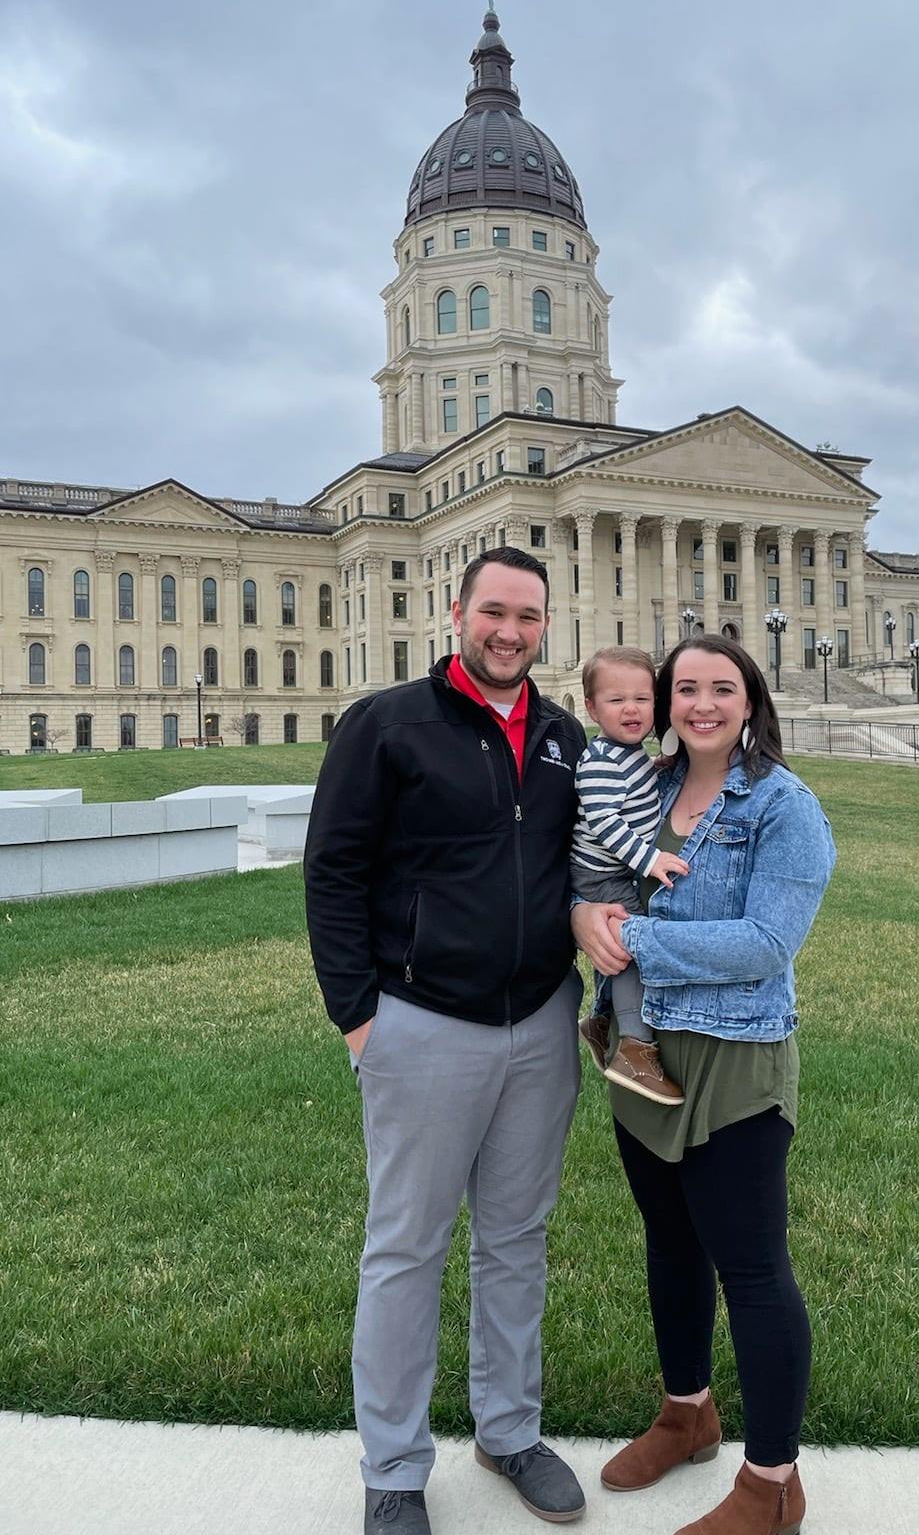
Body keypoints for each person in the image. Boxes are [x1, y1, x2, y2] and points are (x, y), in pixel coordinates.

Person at [305, 547, 589, 1535]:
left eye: (528, 617)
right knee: (406, 1247)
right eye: (494, 612)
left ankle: (509, 1431)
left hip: (539, 1021)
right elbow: (332, 870)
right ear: (456, 612)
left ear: (545, 626)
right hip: (420, 1022)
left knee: (516, 1241)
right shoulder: (387, 725)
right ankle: (393, 1468)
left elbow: (588, 861)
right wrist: (359, 1016)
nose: (510, 632)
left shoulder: (563, 736)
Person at [570, 634, 836, 1535]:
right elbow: (593, 871)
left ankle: (772, 1484)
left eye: (722, 688)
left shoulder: (784, 806)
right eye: (685, 689)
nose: (702, 705)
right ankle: (687, 1414)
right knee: (671, 1243)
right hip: (644, 1054)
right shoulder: (645, 785)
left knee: (753, 1270)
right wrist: (582, 913)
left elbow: (767, 942)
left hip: (735, 1060)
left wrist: (632, 940)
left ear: (750, 699)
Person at [572, 645, 690, 1105]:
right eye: (617, 699)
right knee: (629, 948)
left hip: (614, 870)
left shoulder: (629, 754)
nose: (632, 709)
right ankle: (635, 1049)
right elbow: (605, 822)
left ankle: (600, 1021)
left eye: (642, 699)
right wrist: (649, 860)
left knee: (617, 948)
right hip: (601, 874)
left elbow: (634, 793)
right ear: (592, 708)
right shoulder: (601, 761)